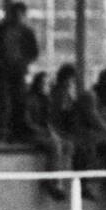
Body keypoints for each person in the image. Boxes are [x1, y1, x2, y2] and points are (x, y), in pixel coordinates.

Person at [0, 2, 39, 140]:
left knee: (19, 101)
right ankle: (2, 133)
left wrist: (24, 62)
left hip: (18, 71)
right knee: (5, 102)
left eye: (20, 15)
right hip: (2, 71)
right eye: (15, 14)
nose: (17, 17)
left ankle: (17, 133)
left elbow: (34, 52)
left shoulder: (27, 32)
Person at [24, 72, 70, 200]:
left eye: (49, 84)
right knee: (55, 144)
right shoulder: (31, 100)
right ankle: (55, 181)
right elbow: (28, 122)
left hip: (45, 133)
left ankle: (60, 180)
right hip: (33, 134)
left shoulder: (48, 100)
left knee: (67, 145)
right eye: (44, 84)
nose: (47, 87)